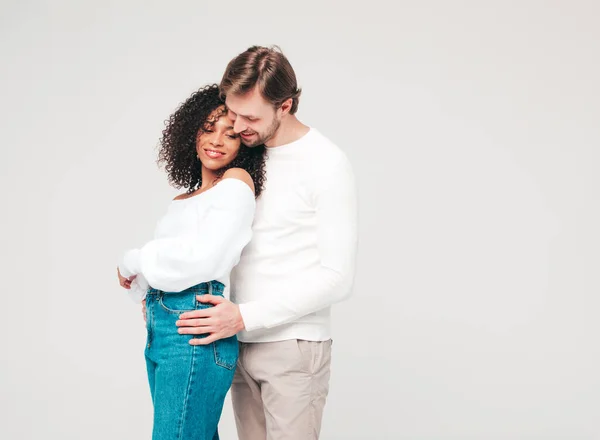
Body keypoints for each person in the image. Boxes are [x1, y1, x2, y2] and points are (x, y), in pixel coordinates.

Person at [175, 46, 358, 440]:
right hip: (236, 343)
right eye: (232, 111)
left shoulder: (325, 163)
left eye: (251, 117)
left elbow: (338, 278)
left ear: (286, 105)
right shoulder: (245, 156)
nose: (238, 125)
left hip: (293, 346)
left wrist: (243, 316)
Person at [116, 83, 267, 440]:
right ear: (191, 131)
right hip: (165, 329)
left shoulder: (236, 182)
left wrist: (132, 261)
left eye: (230, 135)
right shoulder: (185, 198)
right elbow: (171, 260)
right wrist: (146, 290)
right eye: (208, 128)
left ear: (243, 144)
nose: (215, 141)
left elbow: (203, 257)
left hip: (194, 328)